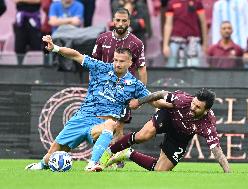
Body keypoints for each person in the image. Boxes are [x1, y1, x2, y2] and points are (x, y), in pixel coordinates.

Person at [25, 35, 150, 172]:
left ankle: (92, 163)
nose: (117, 64)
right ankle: (42, 164)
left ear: (130, 63)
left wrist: (168, 99)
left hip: (100, 124)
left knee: (110, 124)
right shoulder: (100, 67)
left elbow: (153, 100)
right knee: (52, 154)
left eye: (121, 61)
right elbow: (76, 56)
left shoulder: (135, 85)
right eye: (115, 60)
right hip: (81, 118)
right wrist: (55, 48)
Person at [99, 89, 231, 173]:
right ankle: (108, 153)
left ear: (206, 111)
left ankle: (127, 154)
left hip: (181, 135)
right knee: (144, 136)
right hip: (168, 116)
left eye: (197, 107)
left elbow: (216, 149)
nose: (192, 107)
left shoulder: (208, 124)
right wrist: (139, 101)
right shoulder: (183, 100)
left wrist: (228, 172)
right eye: (193, 103)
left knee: (160, 170)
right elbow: (160, 94)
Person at [92, 8, 147, 157]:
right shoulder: (102, 39)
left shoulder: (137, 43)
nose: (121, 23)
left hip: (125, 92)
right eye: (118, 20)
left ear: (129, 22)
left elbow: (142, 69)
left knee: (118, 128)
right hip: (103, 91)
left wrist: (140, 98)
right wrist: (93, 88)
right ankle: (99, 158)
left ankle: (117, 159)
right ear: (113, 21)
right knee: (101, 127)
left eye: (124, 21)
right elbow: (93, 66)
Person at [163, 0, 208, 68]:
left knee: (195, 69)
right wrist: (165, 45)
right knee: (172, 68)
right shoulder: (172, 3)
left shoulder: (197, 2)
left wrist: (205, 43)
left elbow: (203, 23)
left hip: (193, 42)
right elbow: (168, 24)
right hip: (175, 42)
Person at [13, 0, 42, 65]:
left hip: (34, 20)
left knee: (36, 46)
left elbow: (38, 1)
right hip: (21, 20)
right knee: (19, 47)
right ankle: (19, 66)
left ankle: (36, 68)